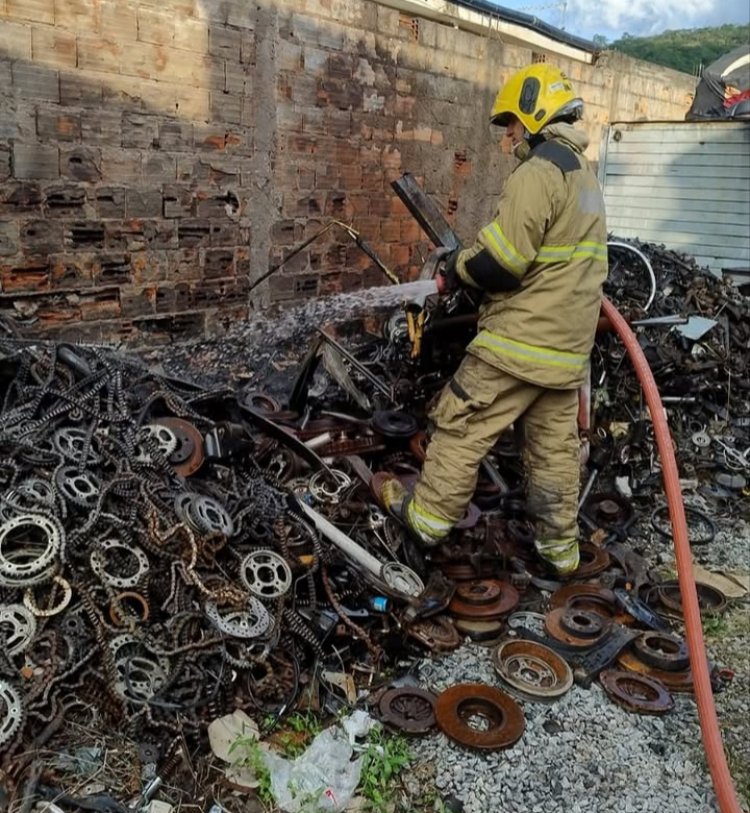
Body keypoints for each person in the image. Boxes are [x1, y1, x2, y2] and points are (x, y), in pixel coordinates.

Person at [374, 64, 608, 576]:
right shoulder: (584, 177)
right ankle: (560, 552)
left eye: (512, 123)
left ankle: (428, 520)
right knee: (552, 452)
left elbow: (502, 264)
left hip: (518, 343)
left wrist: (458, 268)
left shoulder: (539, 171)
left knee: (459, 424)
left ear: (535, 115)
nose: (507, 135)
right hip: (566, 352)